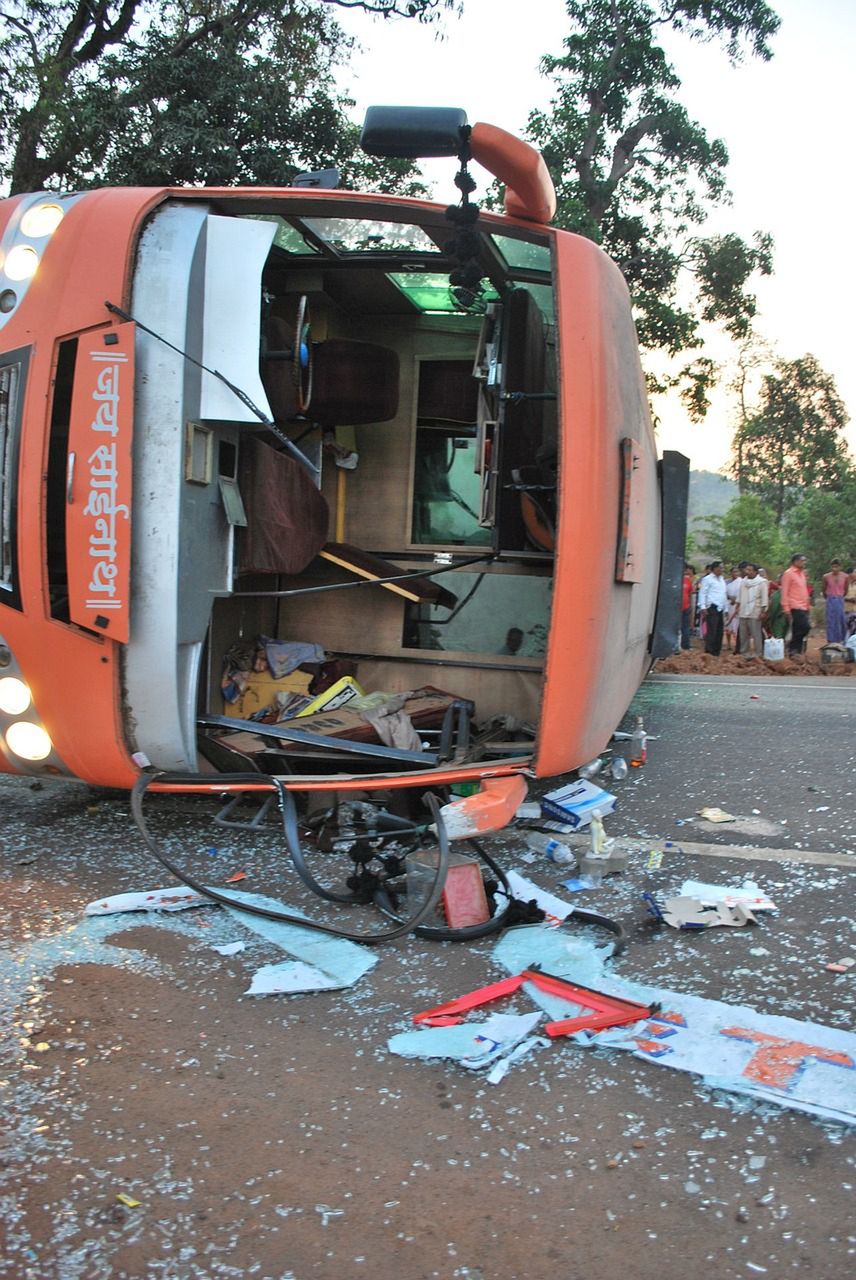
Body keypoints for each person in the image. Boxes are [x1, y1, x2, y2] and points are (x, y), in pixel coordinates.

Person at [780, 553, 811, 656]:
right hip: (794, 606)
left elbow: (804, 591)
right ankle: (793, 649)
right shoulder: (788, 573)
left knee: (799, 628)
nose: (804, 563)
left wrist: (807, 606)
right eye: (802, 561)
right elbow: (784, 592)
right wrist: (786, 609)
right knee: (805, 627)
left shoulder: (802, 574)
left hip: (803, 606)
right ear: (795, 562)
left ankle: (795, 651)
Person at [737, 563, 768, 657]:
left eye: (750, 570)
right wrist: (738, 606)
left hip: (755, 611)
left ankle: (758, 653)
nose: (748, 572)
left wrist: (763, 611)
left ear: (755, 572)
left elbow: (764, 598)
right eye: (747, 570)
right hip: (743, 610)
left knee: (756, 634)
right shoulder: (743, 582)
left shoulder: (762, 582)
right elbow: (740, 595)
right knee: (743, 634)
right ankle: (744, 653)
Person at [697, 560, 727, 655]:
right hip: (711, 606)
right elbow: (703, 593)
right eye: (720, 568)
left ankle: (716, 651)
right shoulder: (708, 579)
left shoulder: (722, 579)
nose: (722, 570)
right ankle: (709, 651)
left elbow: (723, 594)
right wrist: (703, 606)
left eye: (722, 568)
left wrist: (725, 608)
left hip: (720, 607)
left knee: (719, 630)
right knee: (712, 630)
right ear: (714, 568)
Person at [822, 559, 849, 644]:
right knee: (831, 620)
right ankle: (831, 639)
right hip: (830, 599)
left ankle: (840, 639)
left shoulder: (845, 576)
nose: (834, 569)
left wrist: (840, 596)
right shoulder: (826, 576)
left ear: (840, 567)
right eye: (833, 567)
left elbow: (846, 589)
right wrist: (828, 597)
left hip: (840, 598)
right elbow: (823, 589)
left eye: (836, 567)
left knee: (840, 619)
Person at [680, 563, 695, 650]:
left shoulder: (688, 580)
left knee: (685, 627)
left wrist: (690, 606)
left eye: (684, 569)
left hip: (686, 607)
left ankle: (685, 645)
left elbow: (690, 594)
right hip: (675, 608)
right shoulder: (674, 579)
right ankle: (675, 646)